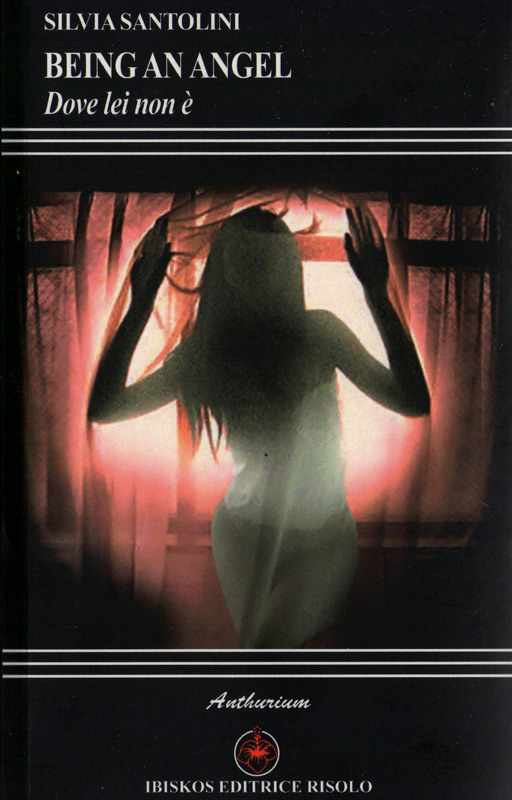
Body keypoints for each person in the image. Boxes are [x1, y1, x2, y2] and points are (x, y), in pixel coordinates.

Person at [88, 205, 430, 648]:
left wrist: (376, 293)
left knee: (266, 650)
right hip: (243, 532)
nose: (258, 268)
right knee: (266, 654)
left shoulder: (320, 333)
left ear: (288, 266)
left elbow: (412, 401)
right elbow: (106, 408)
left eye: (270, 257)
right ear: (223, 268)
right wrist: (140, 303)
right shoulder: (204, 353)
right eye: (244, 256)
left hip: (323, 537)